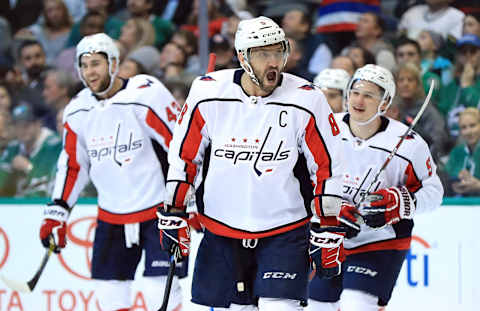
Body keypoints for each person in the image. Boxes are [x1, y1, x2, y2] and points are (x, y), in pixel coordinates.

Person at [157, 16, 346, 310]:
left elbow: (327, 167)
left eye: (278, 51)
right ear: (243, 58)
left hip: (285, 229)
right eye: (263, 54)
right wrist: (175, 210)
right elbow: (184, 157)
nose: (273, 62)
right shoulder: (208, 93)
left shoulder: (307, 99)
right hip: (222, 229)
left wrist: (328, 225)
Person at [38, 33, 185, 311]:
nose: (89, 72)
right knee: (108, 295)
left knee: (159, 294)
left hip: (159, 212)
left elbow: (180, 146)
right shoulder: (77, 111)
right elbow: (72, 165)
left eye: (96, 63)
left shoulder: (146, 93)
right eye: (84, 65)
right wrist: (58, 209)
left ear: (114, 63)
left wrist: (192, 195)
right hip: (111, 216)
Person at [308, 64, 444, 311]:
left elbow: (434, 193)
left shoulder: (409, 144)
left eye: (369, 95)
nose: (359, 100)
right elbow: (298, 184)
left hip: (381, 242)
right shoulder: (324, 131)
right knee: (315, 305)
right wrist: (328, 211)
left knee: (356, 305)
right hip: (329, 239)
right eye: (355, 92)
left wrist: (402, 202)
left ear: (385, 103)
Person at [0, 103, 62, 197]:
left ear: (38, 124)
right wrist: (9, 173)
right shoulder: (13, 147)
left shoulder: (54, 145)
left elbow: (53, 183)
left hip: (42, 204)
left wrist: (29, 168)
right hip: (16, 205)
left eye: (26, 125)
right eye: (17, 126)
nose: (21, 130)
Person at [445, 107, 480, 196]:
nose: (468, 131)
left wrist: (478, 186)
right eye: (464, 128)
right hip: (460, 205)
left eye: (473, 125)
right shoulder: (456, 153)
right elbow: (446, 180)